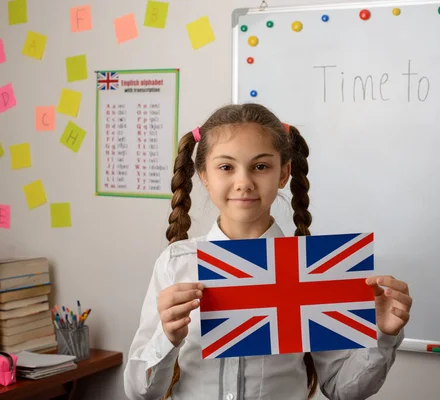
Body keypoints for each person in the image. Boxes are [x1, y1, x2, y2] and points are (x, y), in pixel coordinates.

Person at [124, 103, 412, 400]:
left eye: (261, 166)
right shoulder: (176, 264)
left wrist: (382, 335)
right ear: (204, 176)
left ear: (284, 174)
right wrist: (167, 337)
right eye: (226, 167)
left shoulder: (314, 268)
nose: (244, 182)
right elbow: (139, 392)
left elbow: (342, 389)